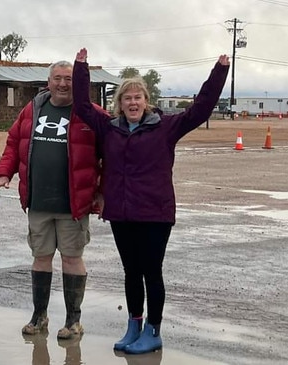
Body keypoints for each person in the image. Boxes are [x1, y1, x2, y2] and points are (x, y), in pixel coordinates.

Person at [72, 48, 230, 354]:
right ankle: (134, 325)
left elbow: (200, 109)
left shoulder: (166, 127)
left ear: (147, 101)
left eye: (138, 98)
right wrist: (81, 68)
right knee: (131, 271)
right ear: (119, 104)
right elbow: (81, 105)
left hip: (155, 212)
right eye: (127, 98)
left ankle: (153, 330)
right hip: (121, 212)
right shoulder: (109, 127)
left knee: (151, 270)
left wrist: (219, 72)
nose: (133, 103)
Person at [0, 60, 105, 339]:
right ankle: (39, 317)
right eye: (58, 78)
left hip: (74, 204)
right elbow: (13, 144)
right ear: (49, 80)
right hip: (39, 201)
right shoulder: (33, 108)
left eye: (68, 78)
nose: (63, 84)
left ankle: (73, 322)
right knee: (40, 257)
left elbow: (110, 154)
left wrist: (102, 191)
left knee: (72, 258)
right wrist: (4, 174)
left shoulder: (92, 113)